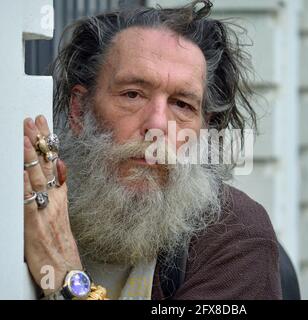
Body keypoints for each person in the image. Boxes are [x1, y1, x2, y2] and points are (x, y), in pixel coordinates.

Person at [22, 0, 282, 300]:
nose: (158, 125)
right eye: (132, 94)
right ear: (80, 111)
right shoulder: (24, 204)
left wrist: (66, 277)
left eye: (182, 104)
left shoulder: (237, 235)